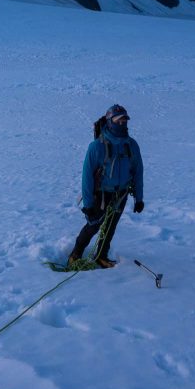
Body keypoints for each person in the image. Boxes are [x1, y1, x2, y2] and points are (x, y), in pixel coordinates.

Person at [68, 104, 145, 269]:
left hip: (121, 194)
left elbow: (138, 171)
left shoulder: (131, 145)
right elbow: (87, 177)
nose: (122, 124)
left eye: (125, 121)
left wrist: (139, 198)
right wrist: (88, 205)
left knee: (110, 227)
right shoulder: (96, 147)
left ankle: (101, 256)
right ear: (110, 121)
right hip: (100, 195)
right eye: (118, 121)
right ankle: (75, 253)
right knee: (93, 225)